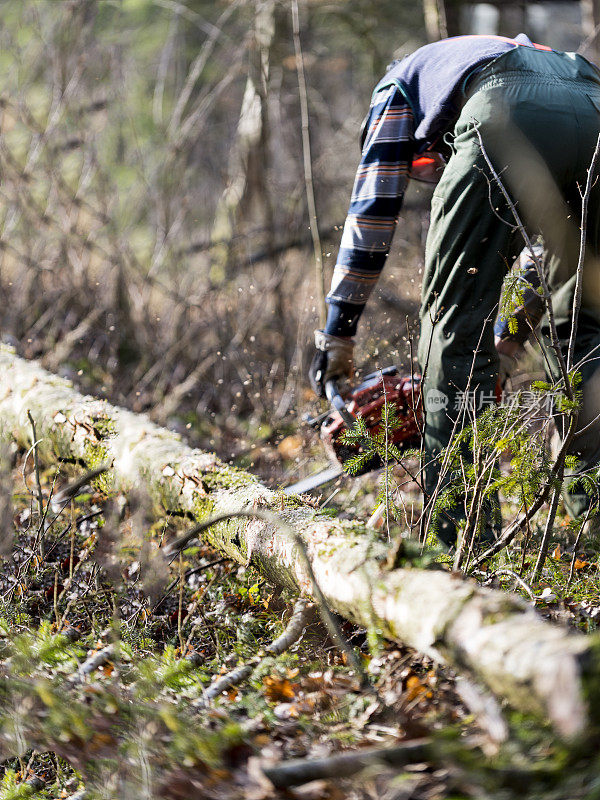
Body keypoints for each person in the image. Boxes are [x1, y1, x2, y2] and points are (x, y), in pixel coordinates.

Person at [308, 33, 600, 544]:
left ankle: (462, 542)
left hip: (506, 112)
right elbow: (549, 253)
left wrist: (338, 335)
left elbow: (372, 215)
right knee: (584, 326)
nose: (434, 171)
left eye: (427, 165)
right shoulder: (518, 59)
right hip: (596, 103)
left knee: (452, 332)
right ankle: (595, 522)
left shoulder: (399, 86)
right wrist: (508, 340)